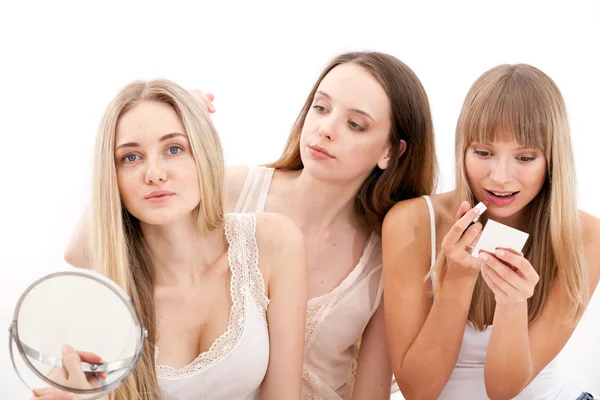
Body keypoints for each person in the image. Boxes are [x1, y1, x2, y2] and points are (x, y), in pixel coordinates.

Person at [65, 51, 438, 399]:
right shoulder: (233, 190)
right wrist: (177, 122)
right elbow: (90, 248)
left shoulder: (386, 255)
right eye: (320, 108)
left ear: (392, 151)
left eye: (355, 125)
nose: (326, 129)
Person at [48, 79, 307, 400]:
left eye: (174, 149)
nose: (154, 174)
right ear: (111, 178)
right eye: (130, 157)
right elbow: (77, 251)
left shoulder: (271, 242)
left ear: (204, 154)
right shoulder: (114, 289)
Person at [383, 64, 600, 400]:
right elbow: (417, 391)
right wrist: (457, 277)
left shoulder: (585, 235)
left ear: (552, 160)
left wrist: (512, 305)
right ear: (462, 149)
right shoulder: (411, 221)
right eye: (483, 153)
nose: (500, 176)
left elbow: (504, 390)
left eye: (525, 158)